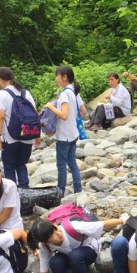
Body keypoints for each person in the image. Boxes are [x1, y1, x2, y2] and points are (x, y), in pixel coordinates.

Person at [0, 66, 39, 188]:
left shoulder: (2, 94)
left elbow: (1, 116)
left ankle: (12, 195)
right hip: (28, 135)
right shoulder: (26, 93)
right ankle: (25, 191)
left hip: (10, 137)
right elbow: (35, 113)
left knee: (9, 167)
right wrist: (37, 135)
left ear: (1, 79)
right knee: (21, 164)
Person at [43, 65, 83, 196]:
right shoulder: (74, 92)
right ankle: (78, 190)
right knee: (72, 162)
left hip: (64, 135)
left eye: (57, 75)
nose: (56, 78)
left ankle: (60, 192)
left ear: (64, 77)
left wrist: (50, 106)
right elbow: (83, 111)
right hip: (73, 133)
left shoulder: (65, 94)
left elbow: (64, 115)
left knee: (61, 166)